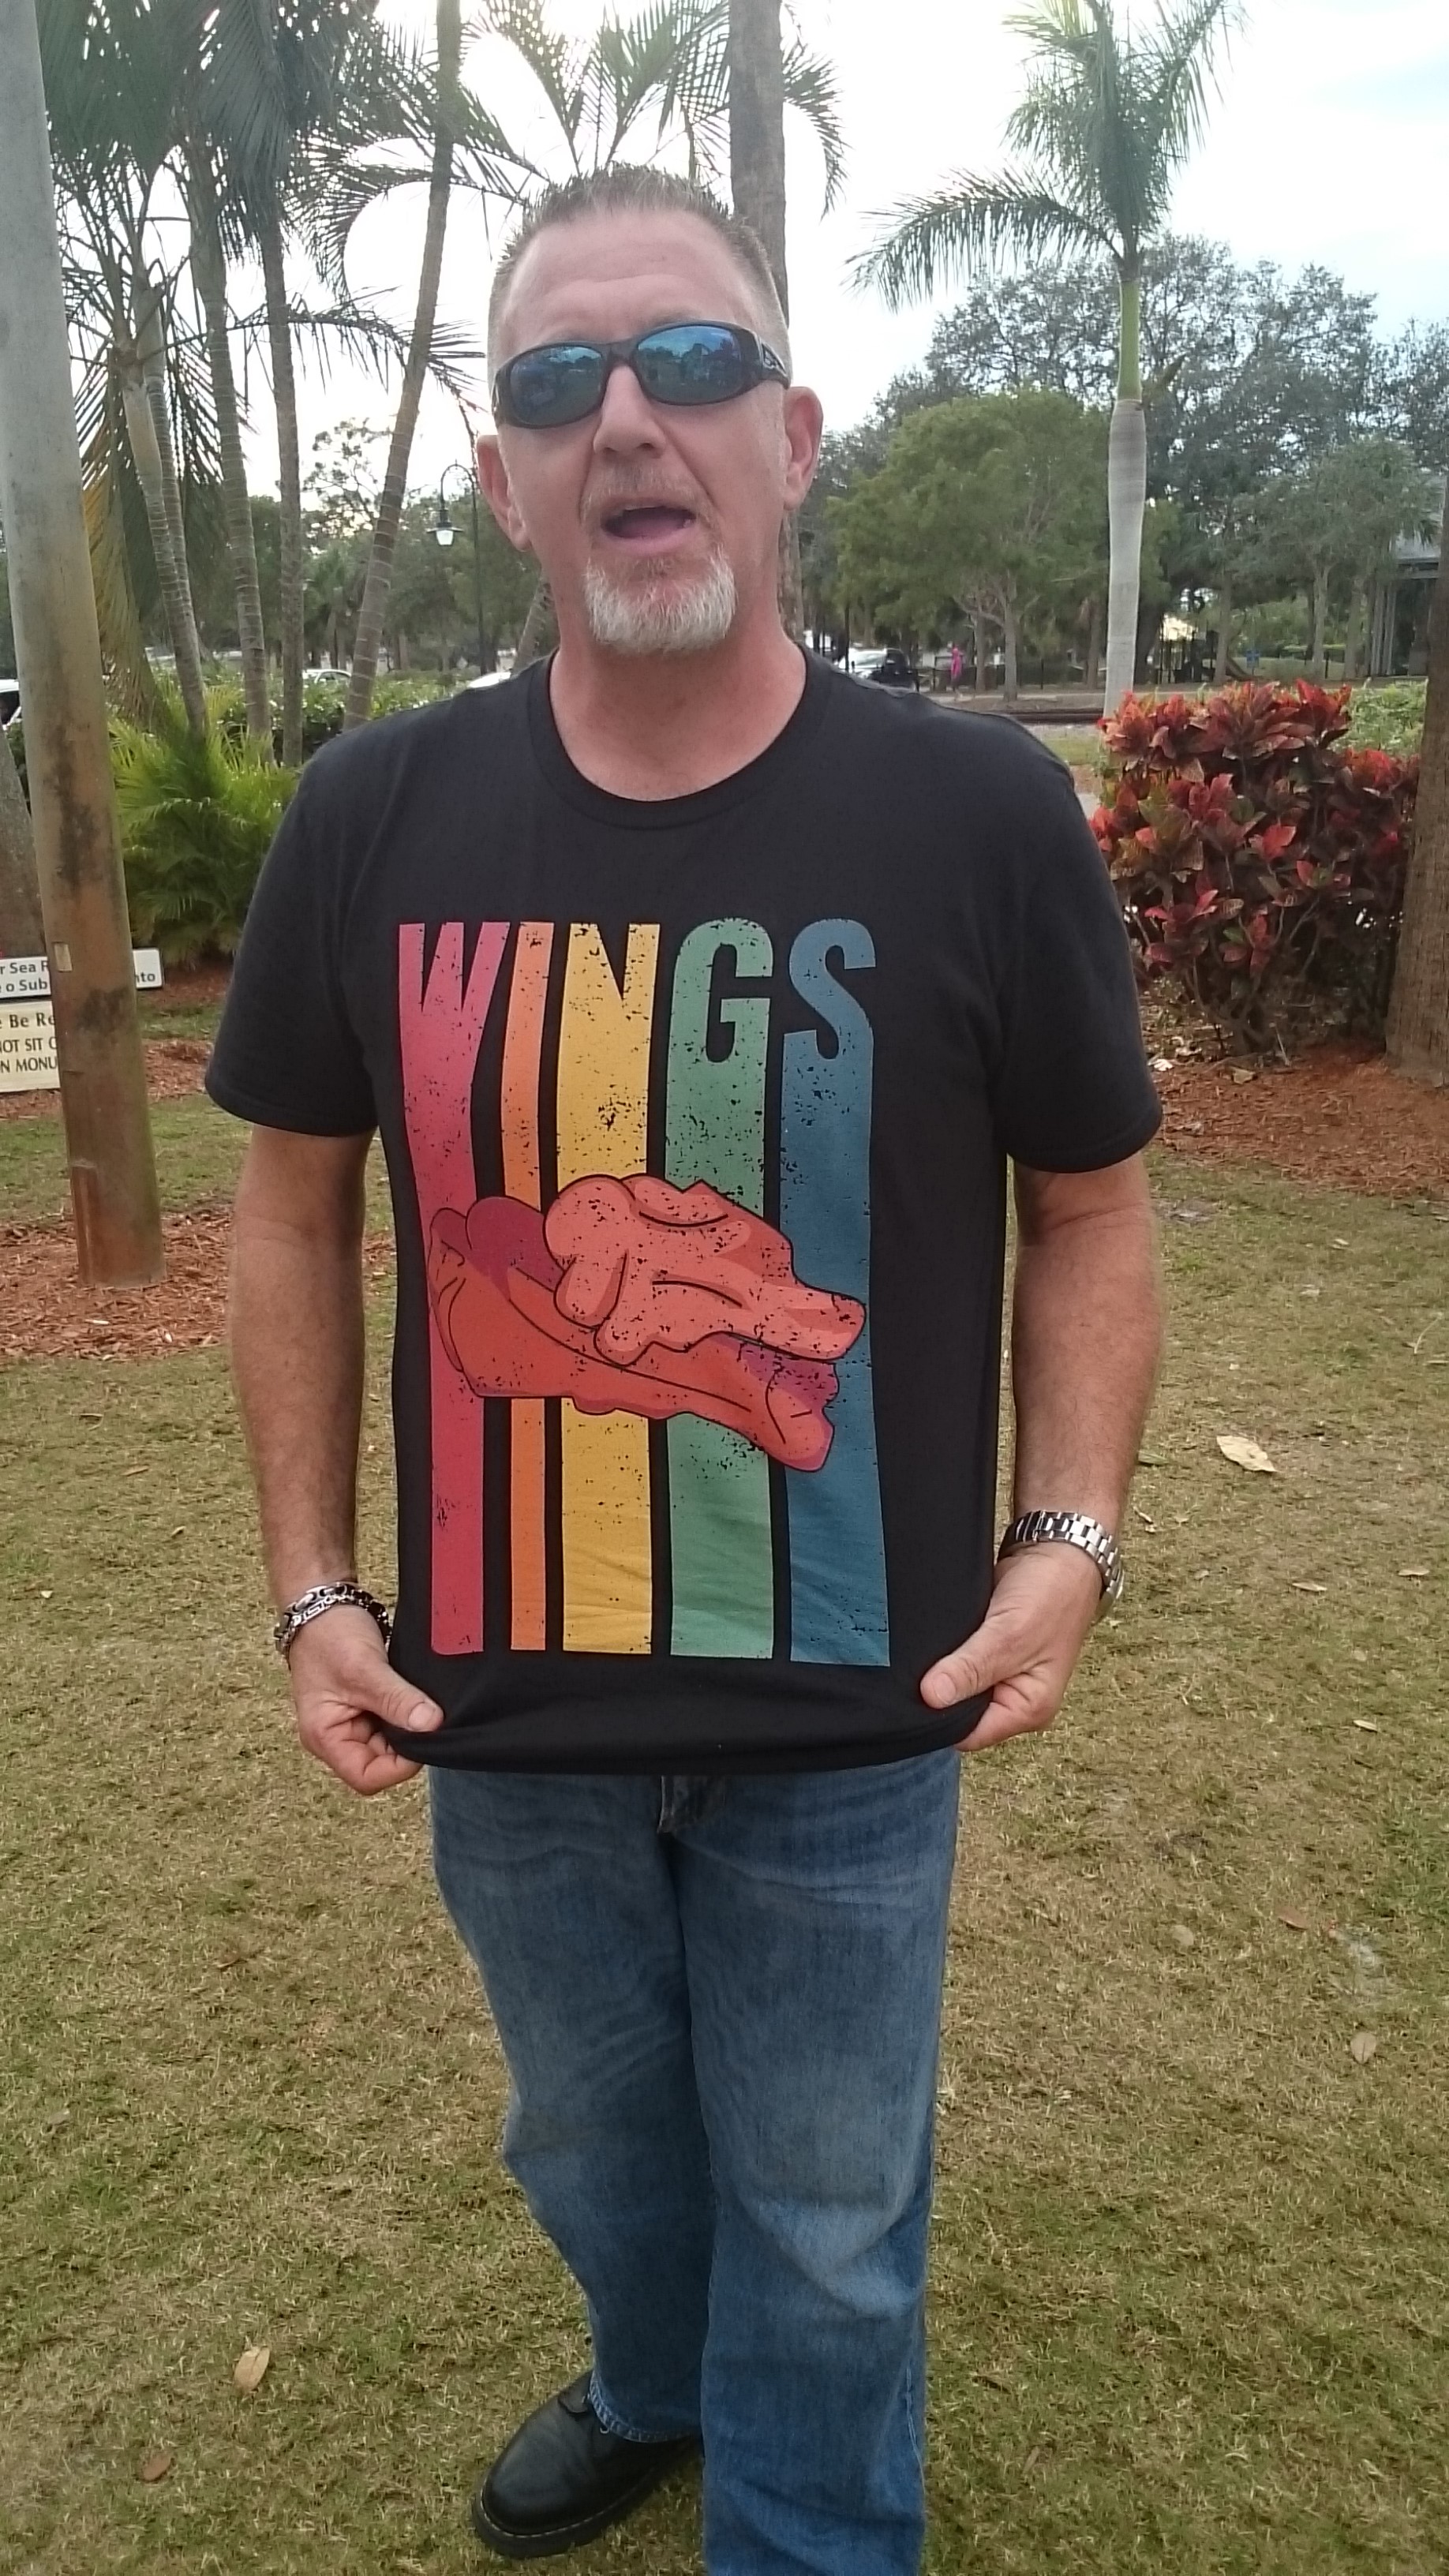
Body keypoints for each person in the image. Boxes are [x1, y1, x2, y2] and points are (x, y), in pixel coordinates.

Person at [208, 166, 1163, 2574]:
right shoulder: (375, 816)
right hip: (500, 1724)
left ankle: (804, 2524)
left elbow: (1089, 1208)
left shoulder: (975, 812)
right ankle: (653, 2378)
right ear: (502, 474)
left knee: (828, 2217)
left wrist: (1064, 1541)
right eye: (559, 379)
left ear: (789, 434)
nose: (627, 415)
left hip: (852, 1719)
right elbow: (292, 1210)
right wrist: (312, 1587)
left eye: (693, 359)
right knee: (590, 2148)